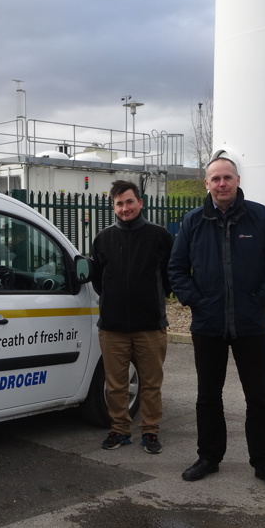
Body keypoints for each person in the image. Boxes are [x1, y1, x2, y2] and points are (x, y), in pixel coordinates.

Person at [168, 154, 265, 492]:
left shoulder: (261, 218)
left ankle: (264, 462)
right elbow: (176, 268)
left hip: (251, 323)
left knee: (259, 397)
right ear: (206, 184)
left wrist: (259, 297)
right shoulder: (193, 222)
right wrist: (196, 300)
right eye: (215, 179)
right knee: (208, 396)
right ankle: (209, 457)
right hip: (208, 324)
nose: (222, 184)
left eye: (227, 178)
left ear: (237, 181)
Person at [91, 180, 173, 454]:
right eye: (119, 204)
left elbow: (168, 277)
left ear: (140, 202)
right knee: (116, 384)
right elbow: (99, 281)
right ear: (112, 207)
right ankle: (120, 430)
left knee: (151, 384)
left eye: (129, 202)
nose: (124, 208)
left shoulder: (159, 236)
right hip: (113, 327)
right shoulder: (103, 239)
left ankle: (150, 432)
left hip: (150, 325)